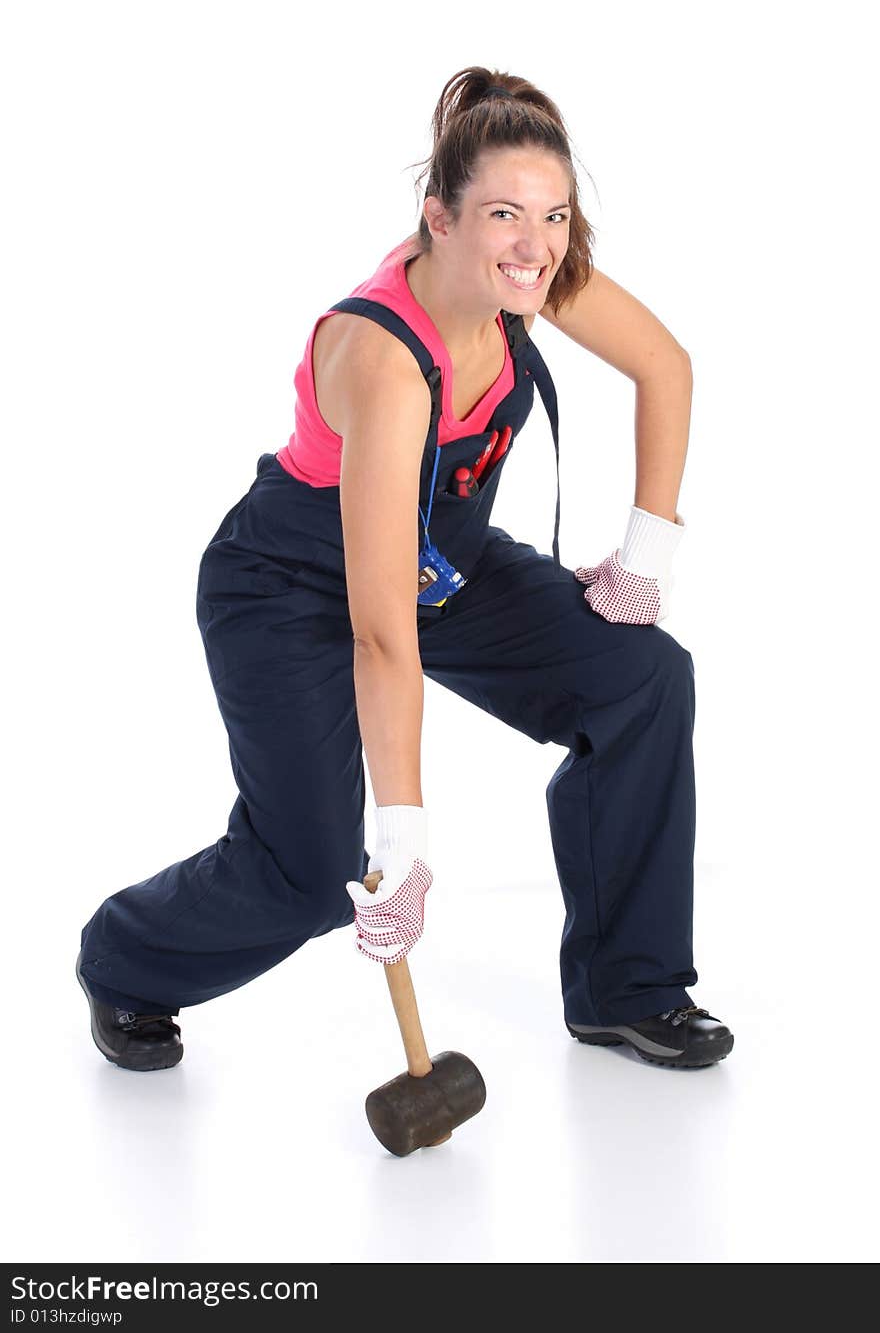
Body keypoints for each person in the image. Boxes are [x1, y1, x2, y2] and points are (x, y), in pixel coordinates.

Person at [77, 65, 733, 1074]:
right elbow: (381, 632)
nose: (536, 245)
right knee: (309, 876)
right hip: (290, 590)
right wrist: (407, 839)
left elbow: (666, 366)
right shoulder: (383, 362)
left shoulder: (528, 280)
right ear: (440, 217)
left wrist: (646, 555)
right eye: (506, 214)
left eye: (553, 216)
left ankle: (627, 988)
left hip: (440, 564)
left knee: (643, 680)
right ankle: (125, 958)